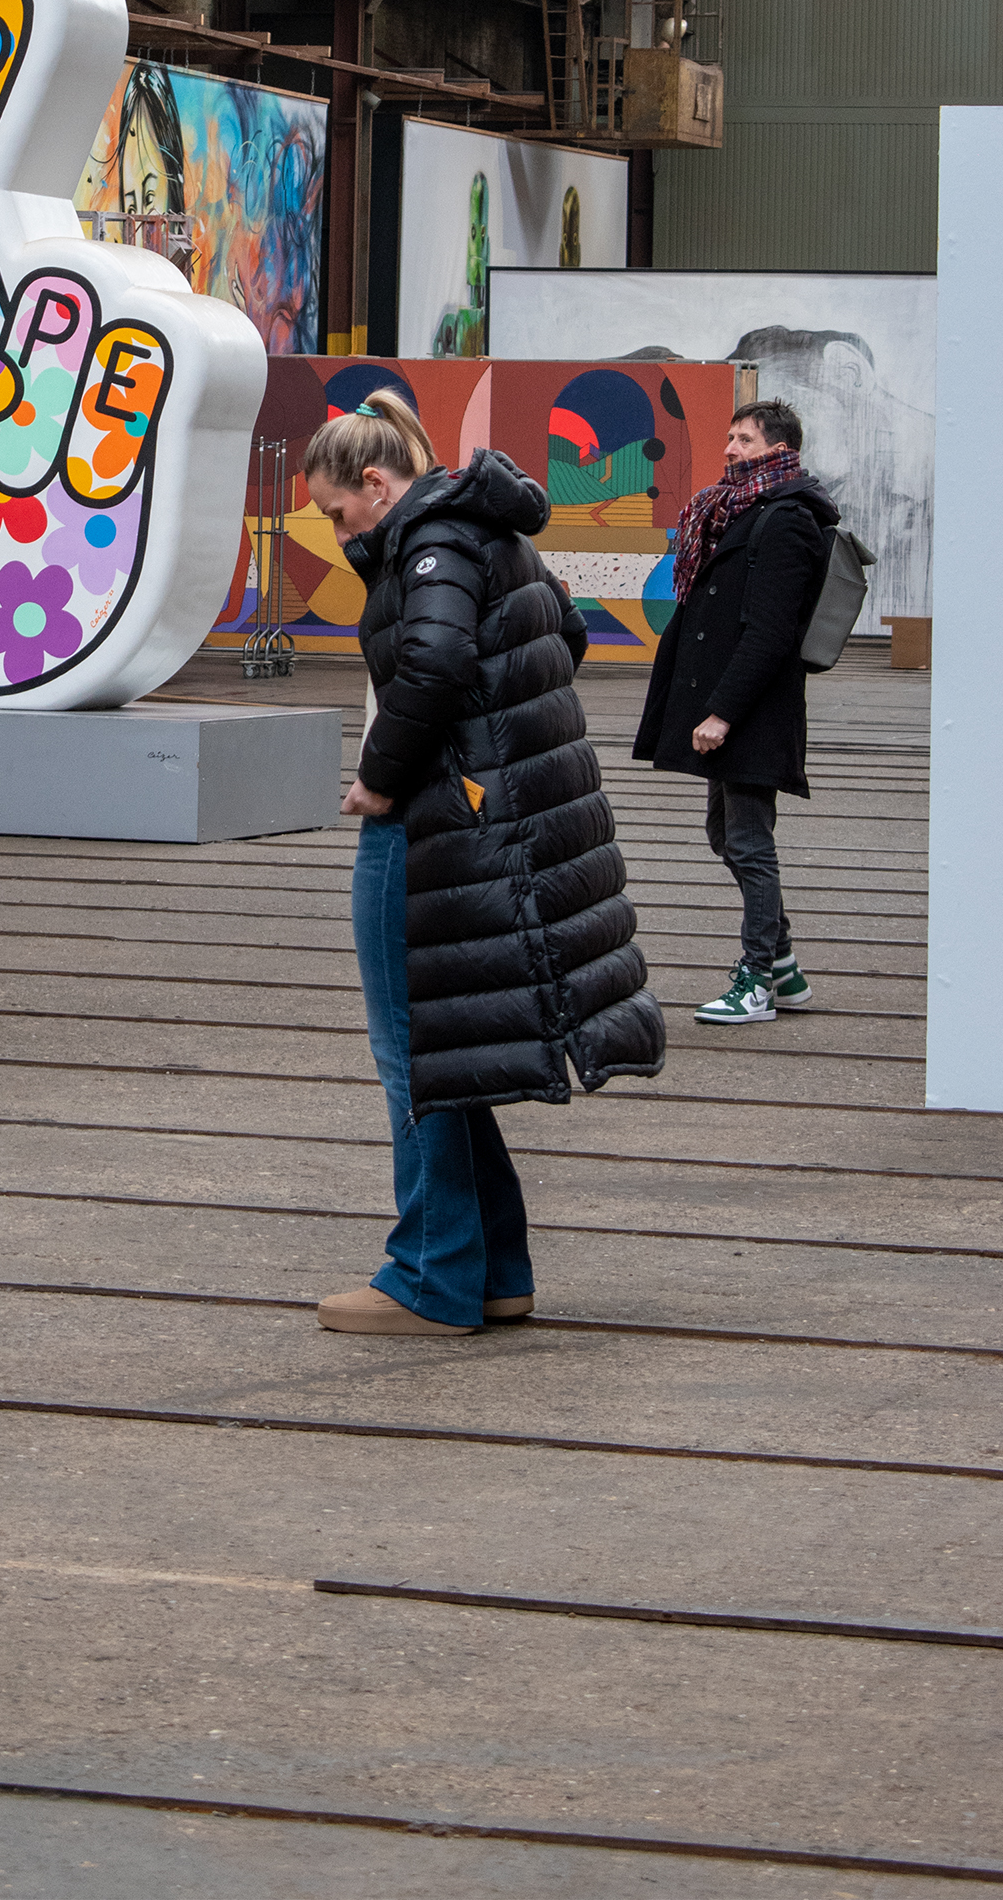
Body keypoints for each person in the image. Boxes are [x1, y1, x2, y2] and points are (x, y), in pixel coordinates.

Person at [302, 391, 663, 1337]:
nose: (338, 534)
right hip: (491, 823)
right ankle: (495, 1270)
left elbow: (435, 663)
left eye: (338, 512)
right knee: (446, 1053)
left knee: (411, 1054)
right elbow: (564, 637)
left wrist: (379, 779)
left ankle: (432, 1276)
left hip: (431, 827)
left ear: (376, 483)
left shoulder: (432, 541)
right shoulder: (488, 527)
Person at [635, 397, 840, 1023]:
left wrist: (722, 711)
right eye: (729, 436)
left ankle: (756, 982)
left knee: (748, 841)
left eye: (744, 439)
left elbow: (772, 631)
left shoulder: (788, 520)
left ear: (779, 450)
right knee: (726, 835)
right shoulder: (738, 508)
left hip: (753, 708)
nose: (729, 448)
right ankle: (785, 968)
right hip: (731, 700)